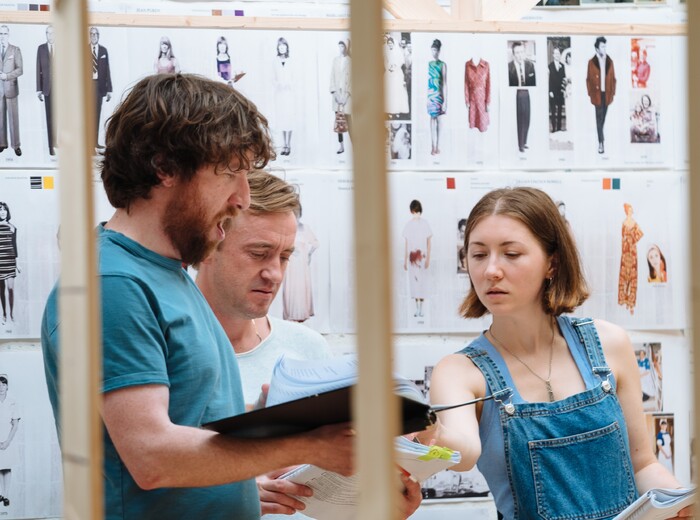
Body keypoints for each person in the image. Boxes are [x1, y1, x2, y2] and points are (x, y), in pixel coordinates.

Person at [40, 73, 362, 520]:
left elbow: (187, 424)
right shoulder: (112, 283)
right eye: (231, 173)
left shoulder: (163, 275)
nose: (242, 198)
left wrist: (271, 423)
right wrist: (306, 445)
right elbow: (151, 455)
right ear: (165, 167)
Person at [423, 187, 690, 519]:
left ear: (552, 263)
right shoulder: (459, 371)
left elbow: (644, 464)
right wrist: (430, 433)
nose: (491, 270)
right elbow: (464, 452)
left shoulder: (610, 344)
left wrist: (679, 502)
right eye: (478, 255)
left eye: (511, 254)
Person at [282, 200, 319, 323]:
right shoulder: (287, 228)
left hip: (302, 266)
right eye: (294, 212)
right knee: (292, 288)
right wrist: (291, 250)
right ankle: (291, 315)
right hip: (291, 264)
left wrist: (308, 254)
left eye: (297, 212)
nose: (296, 214)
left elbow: (315, 244)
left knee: (301, 288)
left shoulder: (305, 228)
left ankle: (302, 314)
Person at [586, 36, 616, 154]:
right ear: (597, 49)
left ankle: (600, 138)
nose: (604, 48)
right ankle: (601, 143)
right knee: (598, 120)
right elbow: (588, 79)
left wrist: (613, 93)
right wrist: (590, 93)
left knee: (602, 120)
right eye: (602, 46)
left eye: (605, 46)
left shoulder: (610, 61)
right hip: (597, 95)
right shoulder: (591, 62)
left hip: (607, 95)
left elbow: (613, 78)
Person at [403, 200, 432, 318]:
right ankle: (417, 309)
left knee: (422, 284)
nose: (417, 214)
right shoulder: (408, 225)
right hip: (412, 260)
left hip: (422, 258)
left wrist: (428, 258)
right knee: (414, 284)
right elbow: (406, 244)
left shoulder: (425, 224)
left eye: (418, 212)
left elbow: (429, 242)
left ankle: (422, 309)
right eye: (415, 212)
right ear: (411, 212)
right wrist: (405, 260)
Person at [507, 41, 535, 153]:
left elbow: (533, 82)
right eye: (517, 53)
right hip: (518, 94)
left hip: (527, 93)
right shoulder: (509, 67)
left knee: (527, 118)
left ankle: (524, 142)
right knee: (520, 120)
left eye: (521, 52)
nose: (520, 55)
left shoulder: (530, 65)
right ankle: (520, 145)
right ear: (513, 54)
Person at [0, 25, 22, 157]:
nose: (2, 36)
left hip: (11, 89)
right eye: (0, 33)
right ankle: (2, 143)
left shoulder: (15, 50)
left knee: (13, 119)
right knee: (0, 119)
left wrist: (7, 76)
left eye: (4, 33)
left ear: (9, 35)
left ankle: (16, 145)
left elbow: (20, 69)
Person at [89, 26, 112, 150]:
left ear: (99, 36)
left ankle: (94, 143)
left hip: (100, 86)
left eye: (95, 34)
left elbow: (107, 70)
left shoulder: (103, 50)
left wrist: (109, 89)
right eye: (91, 34)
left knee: (96, 115)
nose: (93, 36)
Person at [619, 203, 643, 315]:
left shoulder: (634, 223)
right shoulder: (624, 223)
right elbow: (622, 236)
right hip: (625, 251)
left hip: (632, 251)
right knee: (624, 275)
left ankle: (631, 303)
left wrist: (632, 240)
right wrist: (625, 244)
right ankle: (624, 299)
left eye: (631, 210)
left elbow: (640, 234)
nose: (631, 211)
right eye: (629, 210)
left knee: (632, 276)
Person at [36, 25, 56, 156]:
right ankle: (50, 146)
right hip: (47, 89)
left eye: (52, 33)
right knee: (50, 117)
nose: (50, 35)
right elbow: (38, 69)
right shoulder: (41, 49)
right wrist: (39, 89)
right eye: (47, 33)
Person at [329, 40, 351, 154]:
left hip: (347, 96)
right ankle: (341, 146)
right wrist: (335, 94)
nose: (341, 48)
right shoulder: (335, 60)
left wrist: (346, 96)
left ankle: (354, 146)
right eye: (340, 46)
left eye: (343, 46)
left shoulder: (351, 61)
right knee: (339, 122)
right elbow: (332, 77)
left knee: (350, 122)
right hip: (337, 96)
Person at [273, 37, 294, 156]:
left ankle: (289, 144)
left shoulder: (291, 61)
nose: (282, 48)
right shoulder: (275, 61)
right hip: (279, 93)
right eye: (280, 46)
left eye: (283, 46)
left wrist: (289, 84)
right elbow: (273, 78)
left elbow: (294, 77)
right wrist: (278, 84)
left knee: (289, 119)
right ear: (278, 48)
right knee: (282, 119)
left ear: (286, 47)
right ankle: (284, 145)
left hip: (289, 93)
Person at [0, 375, 18, 508]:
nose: (1, 387)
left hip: (7, 439)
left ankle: (6, 496)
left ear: (7, 387)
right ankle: (0, 494)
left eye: (4, 384)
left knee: (6, 467)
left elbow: (15, 425)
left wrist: (7, 442)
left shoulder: (12, 402)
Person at [427, 39, 446, 156]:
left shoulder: (442, 65)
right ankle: (432, 146)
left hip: (438, 95)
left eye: (436, 50)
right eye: (432, 50)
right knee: (431, 119)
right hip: (430, 95)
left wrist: (446, 101)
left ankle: (438, 146)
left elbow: (445, 83)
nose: (434, 52)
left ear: (439, 51)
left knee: (438, 120)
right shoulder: (429, 64)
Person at [0, 202, 17, 324]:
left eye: (4, 209)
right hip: (0, 261)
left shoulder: (13, 227)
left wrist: (17, 263)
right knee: (2, 290)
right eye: (0, 210)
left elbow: (14, 246)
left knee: (11, 289)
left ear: (7, 211)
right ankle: (4, 314)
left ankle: (11, 314)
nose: (2, 212)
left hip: (10, 261)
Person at [384, 35, 409, 118]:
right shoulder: (387, 52)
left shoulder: (397, 52)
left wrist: (395, 67)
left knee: (397, 92)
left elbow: (401, 61)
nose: (390, 45)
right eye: (389, 44)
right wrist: (388, 68)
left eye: (391, 43)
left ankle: (397, 111)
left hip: (397, 73)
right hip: (389, 73)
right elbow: (385, 61)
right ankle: (390, 111)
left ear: (393, 44)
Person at [548, 47, 566, 133]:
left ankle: (559, 128)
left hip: (560, 92)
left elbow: (564, 79)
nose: (557, 55)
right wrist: (550, 91)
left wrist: (564, 90)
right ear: (553, 55)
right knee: (553, 110)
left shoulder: (562, 66)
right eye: (555, 54)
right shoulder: (550, 66)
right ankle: (554, 128)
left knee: (559, 110)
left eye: (558, 54)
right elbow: (549, 80)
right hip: (553, 92)